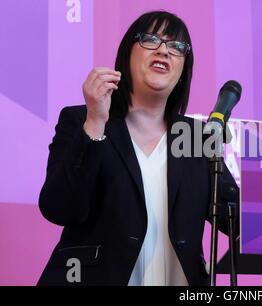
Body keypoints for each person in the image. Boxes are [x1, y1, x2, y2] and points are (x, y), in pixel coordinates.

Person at [37, 11, 238, 286]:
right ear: (126, 56)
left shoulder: (196, 137)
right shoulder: (82, 120)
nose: (164, 50)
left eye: (176, 46)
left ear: (183, 70)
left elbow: (236, 219)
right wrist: (95, 122)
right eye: (151, 39)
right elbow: (59, 208)